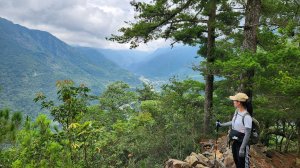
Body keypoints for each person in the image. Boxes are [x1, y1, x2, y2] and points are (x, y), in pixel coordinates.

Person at [216, 92, 252, 168]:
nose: (233, 102)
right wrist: (221, 125)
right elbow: (233, 122)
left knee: (243, 165)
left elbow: (248, 133)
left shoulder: (247, 116)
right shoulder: (237, 111)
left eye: (234, 100)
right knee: (237, 163)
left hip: (242, 143)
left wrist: (242, 148)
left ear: (239, 102)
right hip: (235, 141)